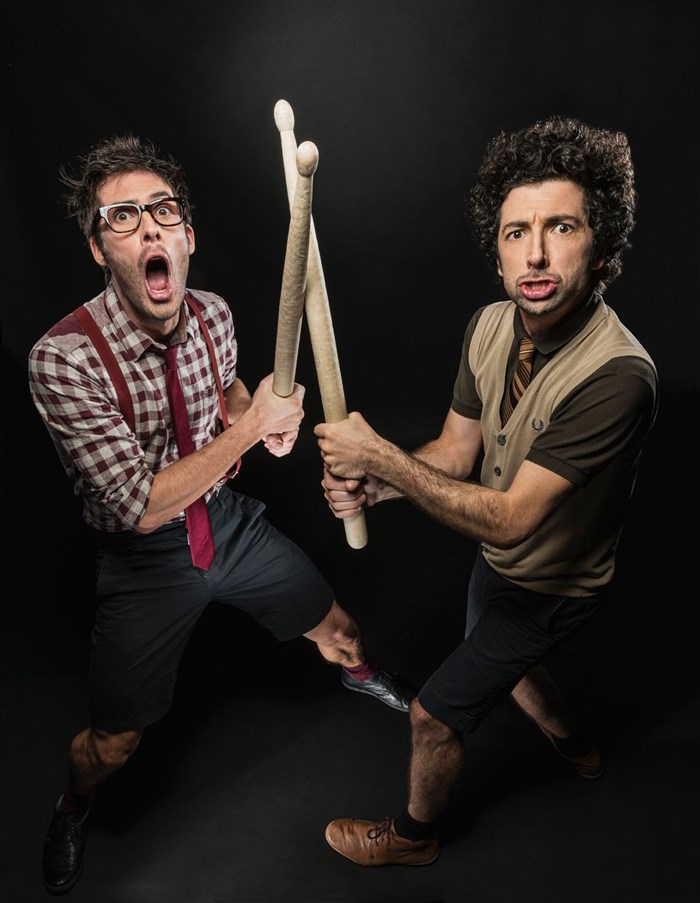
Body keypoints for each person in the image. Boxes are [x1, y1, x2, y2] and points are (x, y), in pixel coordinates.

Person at [28, 134, 415, 895]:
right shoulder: (62, 358)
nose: (149, 226)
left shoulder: (212, 314)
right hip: (144, 560)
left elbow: (230, 393)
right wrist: (250, 427)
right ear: (99, 249)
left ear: (188, 235)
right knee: (112, 743)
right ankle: (73, 805)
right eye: (123, 216)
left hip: (225, 522)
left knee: (341, 632)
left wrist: (257, 419)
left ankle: (362, 676)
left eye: (163, 210)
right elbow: (138, 506)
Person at [315, 115, 658, 866]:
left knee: (433, 715)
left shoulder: (620, 376)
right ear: (497, 253)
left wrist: (380, 454)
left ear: (599, 245)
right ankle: (577, 743)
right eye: (515, 232)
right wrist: (377, 485)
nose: (535, 253)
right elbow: (455, 452)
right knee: (506, 662)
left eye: (560, 227)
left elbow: (509, 520)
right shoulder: (489, 326)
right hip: (498, 568)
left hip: (556, 587)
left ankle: (412, 838)